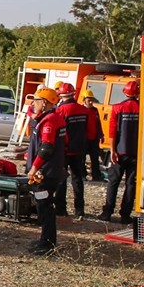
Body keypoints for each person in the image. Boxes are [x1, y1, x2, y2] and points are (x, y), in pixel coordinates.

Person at [25, 86, 66, 255]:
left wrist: (34, 167)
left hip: (46, 173)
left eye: (36, 100)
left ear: (44, 102)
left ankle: (47, 244)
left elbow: (47, 148)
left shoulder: (50, 121)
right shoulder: (50, 118)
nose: (33, 103)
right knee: (44, 206)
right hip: (49, 171)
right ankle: (45, 240)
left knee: (45, 206)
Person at [100, 79, 141, 225]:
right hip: (137, 154)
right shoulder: (142, 108)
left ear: (125, 91)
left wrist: (112, 150)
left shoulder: (117, 108)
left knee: (113, 182)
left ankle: (107, 213)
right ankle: (125, 215)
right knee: (131, 184)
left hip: (119, 152)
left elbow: (112, 131)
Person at [55, 82, 91, 220]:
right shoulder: (83, 110)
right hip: (79, 150)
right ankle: (79, 210)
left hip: (64, 150)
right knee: (78, 180)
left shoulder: (60, 111)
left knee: (61, 179)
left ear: (61, 95)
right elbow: (89, 131)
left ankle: (61, 209)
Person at [81, 89, 107, 182]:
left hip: (94, 138)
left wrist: (101, 135)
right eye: (89, 100)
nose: (91, 102)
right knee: (82, 158)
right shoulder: (80, 110)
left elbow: (98, 123)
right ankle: (82, 175)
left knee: (95, 158)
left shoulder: (95, 110)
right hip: (84, 139)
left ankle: (96, 176)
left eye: (92, 100)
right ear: (84, 100)